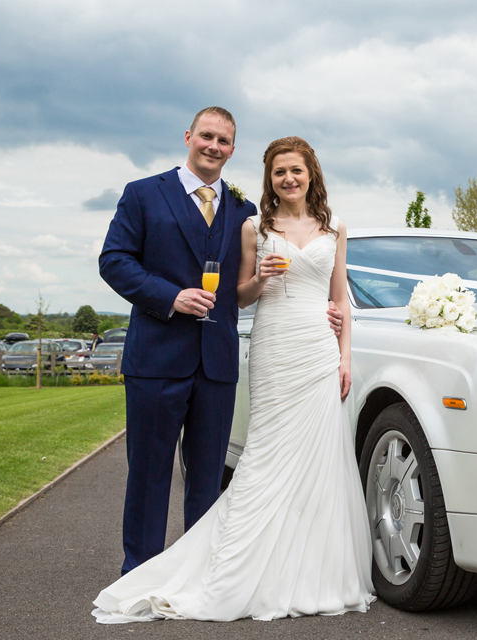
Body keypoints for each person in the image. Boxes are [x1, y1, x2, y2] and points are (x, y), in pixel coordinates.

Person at [93, 136, 373, 623]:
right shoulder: (253, 226)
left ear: (312, 174)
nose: (289, 179)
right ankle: (199, 567)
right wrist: (262, 279)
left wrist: (344, 355)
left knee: (317, 460)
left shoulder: (334, 227)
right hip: (273, 347)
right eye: (279, 172)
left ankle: (308, 570)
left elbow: (340, 297)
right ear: (269, 177)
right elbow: (240, 296)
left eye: (297, 171)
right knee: (262, 460)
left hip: (318, 351)